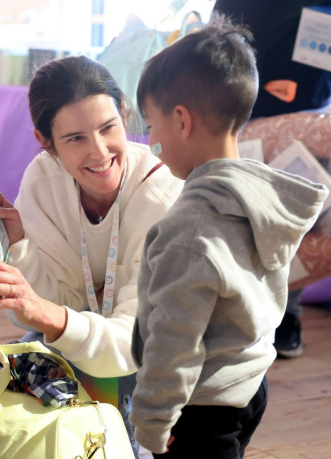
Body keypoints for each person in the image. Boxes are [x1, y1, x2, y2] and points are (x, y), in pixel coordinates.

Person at [129, 16, 328, 459]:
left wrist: (152, 422)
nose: (151, 139)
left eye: (151, 124)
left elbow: (173, 338)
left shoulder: (190, 228)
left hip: (203, 407)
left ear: (181, 120)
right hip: (251, 383)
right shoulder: (262, 197)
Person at [0, 55, 183, 456]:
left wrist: (49, 315)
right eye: (75, 139)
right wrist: (20, 251)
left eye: (108, 128)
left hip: (152, 358)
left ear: (124, 114)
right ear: (44, 142)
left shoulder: (163, 196)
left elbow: (133, 345)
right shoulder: (43, 181)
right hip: (88, 343)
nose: (99, 152)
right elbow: (44, 311)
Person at [214, 0, 331, 360]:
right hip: (242, 119)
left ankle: (285, 315)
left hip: (310, 114)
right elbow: (213, 50)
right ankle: (242, 315)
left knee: (301, 223)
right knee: (245, 223)